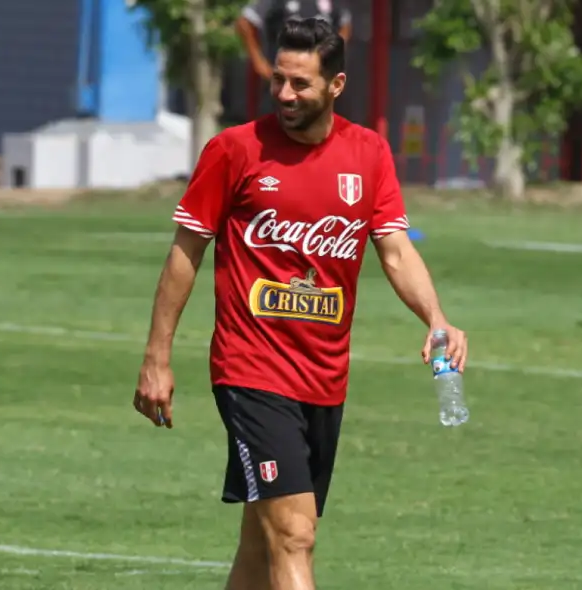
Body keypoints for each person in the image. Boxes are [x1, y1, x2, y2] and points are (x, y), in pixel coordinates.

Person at [133, 18, 467, 590]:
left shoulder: (369, 155)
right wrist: (156, 357)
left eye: (301, 84)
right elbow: (185, 254)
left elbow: (394, 252)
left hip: (324, 377)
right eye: (279, 81)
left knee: (260, 548)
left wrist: (436, 317)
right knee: (295, 536)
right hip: (251, 371)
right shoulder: (234, 150)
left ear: (336, 85)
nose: (286, 94)